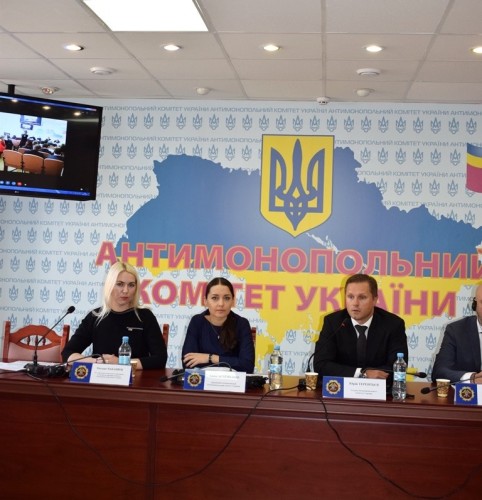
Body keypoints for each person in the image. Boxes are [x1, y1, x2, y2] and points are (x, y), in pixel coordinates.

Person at [62, 261, 167, 369]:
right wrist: (97, 361)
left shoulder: (145, 317)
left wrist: (122, 363)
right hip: (101, 377)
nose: (125, 290)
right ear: (110, 285)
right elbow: (68, 353)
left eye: (131, 285)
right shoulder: (95, 316)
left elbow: (160, 359)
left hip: (135, 378)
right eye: (120, 284)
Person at [313, 273, 408, 380]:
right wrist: (362, 373)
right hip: (341, 388)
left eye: (362, 297)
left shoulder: (393, 325)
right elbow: (321, 365)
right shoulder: (333, 322)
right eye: (350, 297)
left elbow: (397, 368)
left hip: (380, 389)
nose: (355, 303)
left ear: (374, 299)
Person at [182, 277, 255, 373]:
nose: (221, 304)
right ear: (205, 301)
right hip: (203, 380)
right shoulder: (197, 321)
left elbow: (247, 365)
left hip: (233, 381)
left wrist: (210, 358)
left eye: (226, 298)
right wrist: (231, 362)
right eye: (215, 298)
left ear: (233, 301)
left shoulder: (242, 324)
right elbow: (188, 362)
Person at [431, 284, 482, 383]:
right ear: (474, 305)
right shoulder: (456, 330)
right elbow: (439, 372)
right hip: (468, 392)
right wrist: (472, 378)